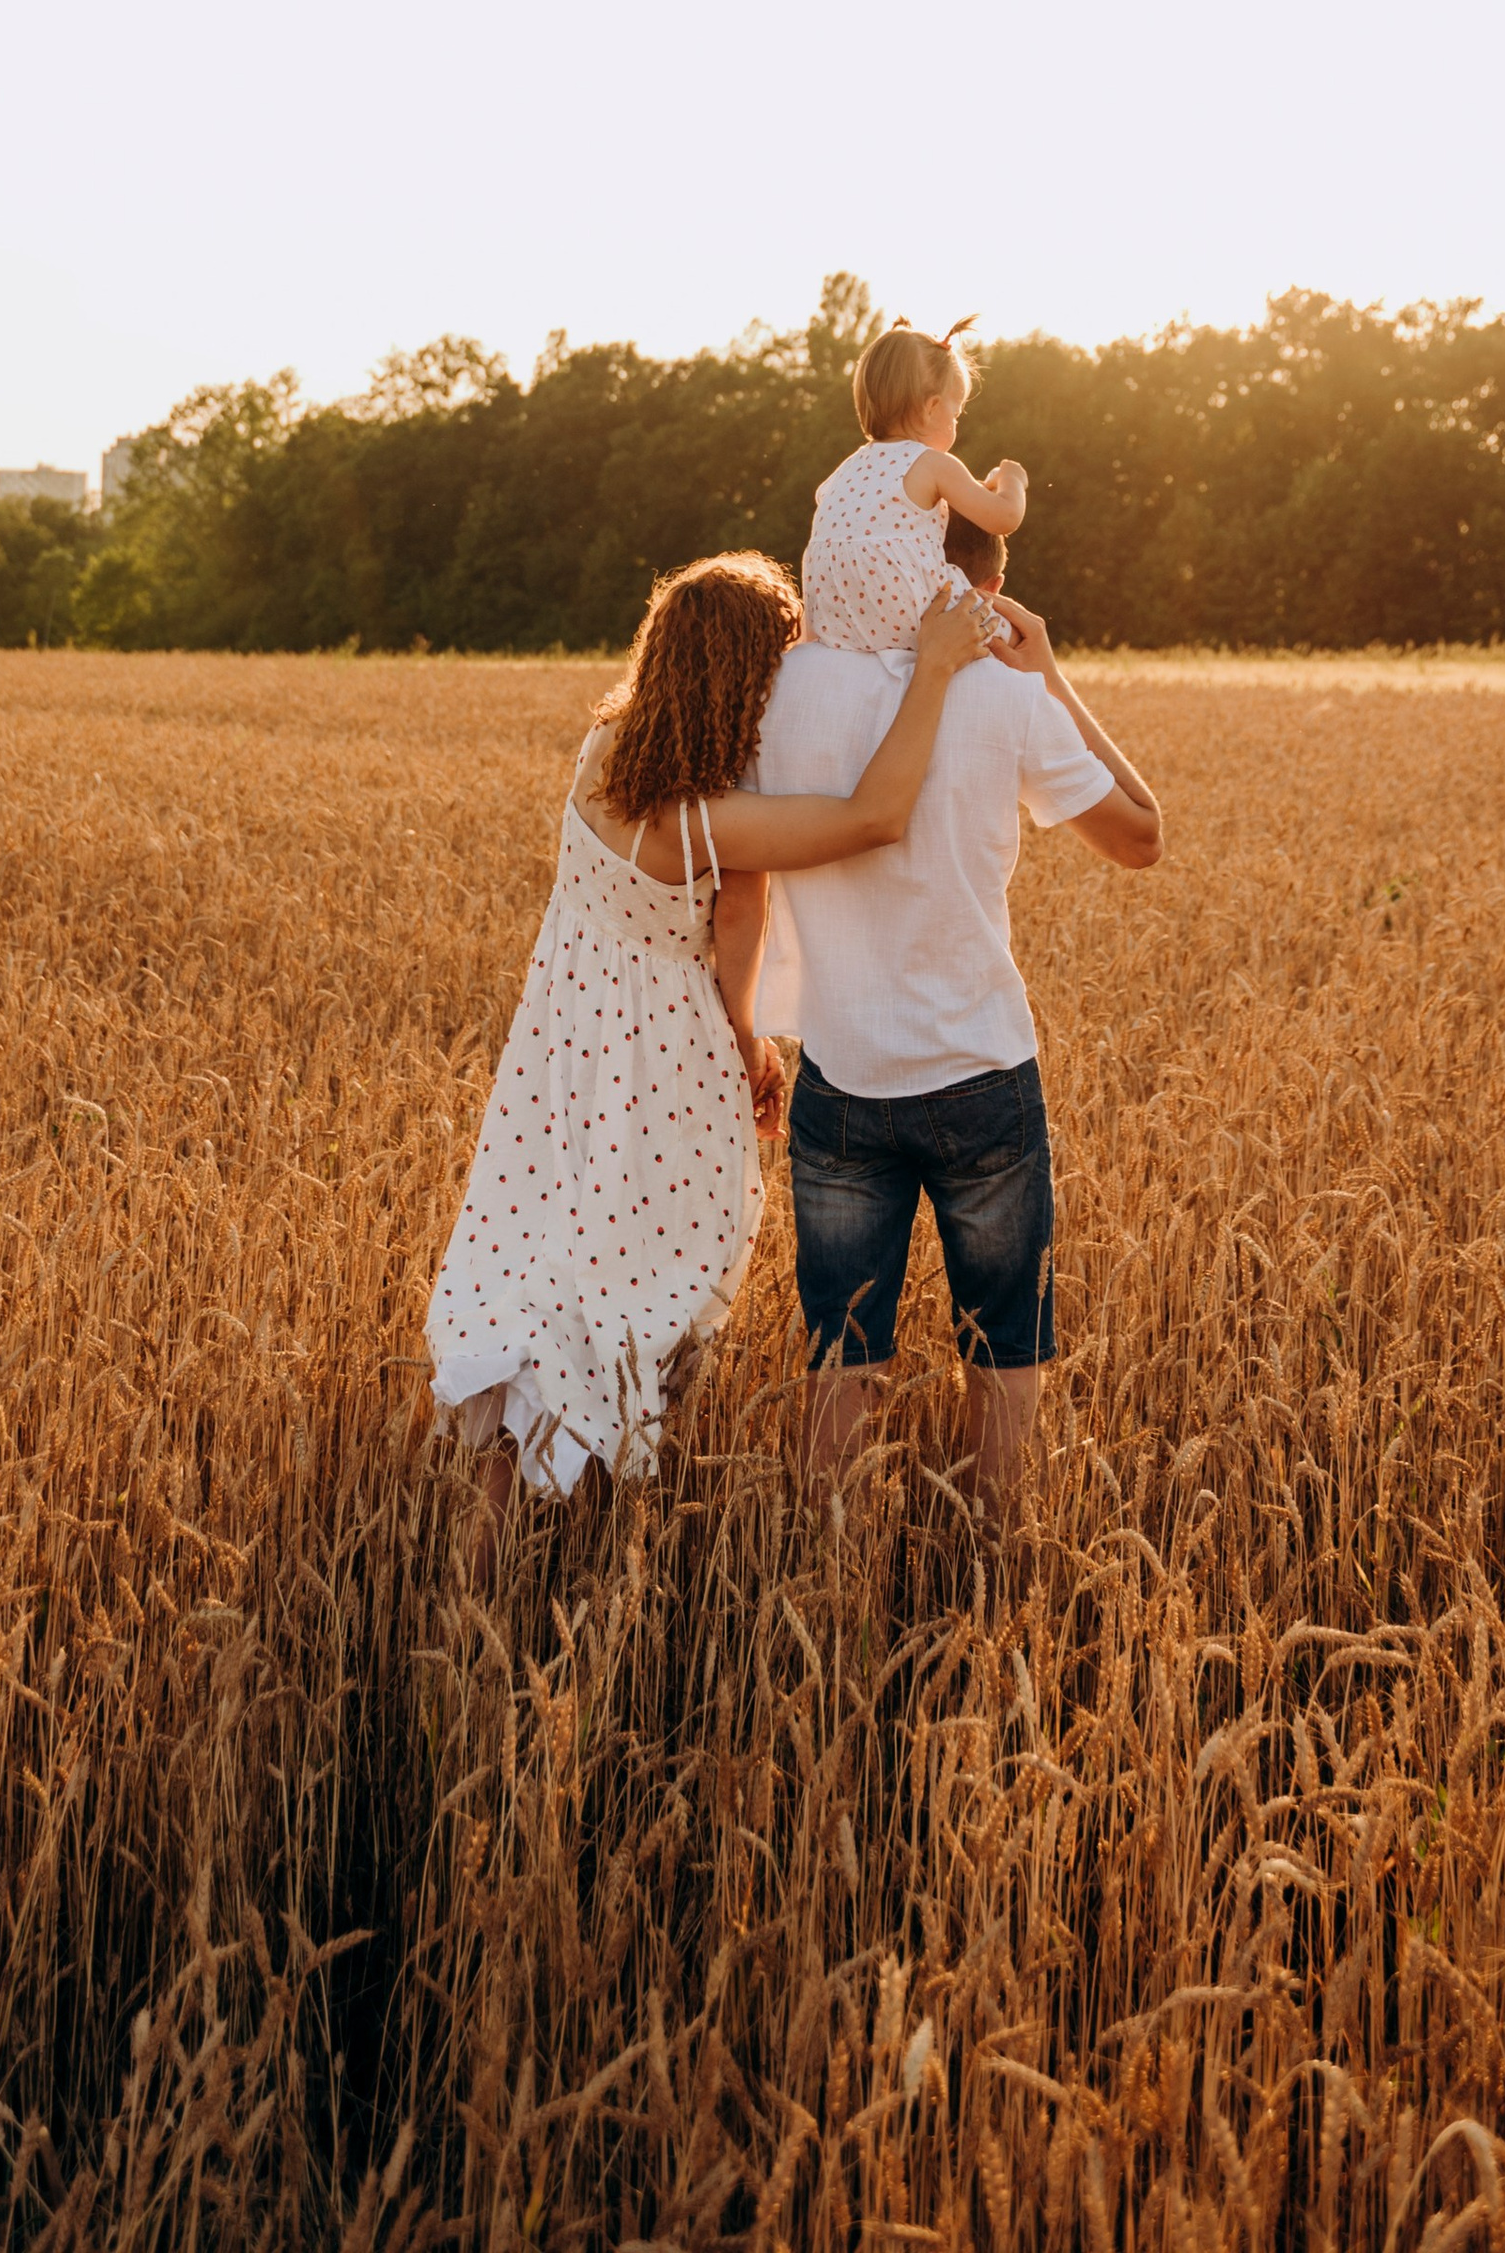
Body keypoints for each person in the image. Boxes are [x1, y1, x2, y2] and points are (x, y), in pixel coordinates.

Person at [426, 552, 993, 1559]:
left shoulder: (600, 750)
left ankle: (494, 1551)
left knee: (545, 1277)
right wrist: (938, 668)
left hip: (557, 1059)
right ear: (747, 680)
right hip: (660, 1074)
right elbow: (872, 817)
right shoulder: (710, 822)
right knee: (637, 1294)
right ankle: (593, 1537)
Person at [744, 571, 1163, 1504]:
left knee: (838, 1354)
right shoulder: (1003, 691)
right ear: (988, 584)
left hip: (842, 1076)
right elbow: (1141, 837)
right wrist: (1049, 674)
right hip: (983, 1075)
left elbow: (733, 878)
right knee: (1005, 1346)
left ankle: (825, 1590)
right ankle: (992, 1571)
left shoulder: (783, 687)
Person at [801, 315, 1029, 657]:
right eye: (956, 413)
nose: (956, 422)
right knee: (1016, 632)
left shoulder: (842, 473)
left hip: (835, 622)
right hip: (909, 617)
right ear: (933, 408)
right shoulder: (932, 463)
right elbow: (1005, 518)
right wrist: (1013, 479)